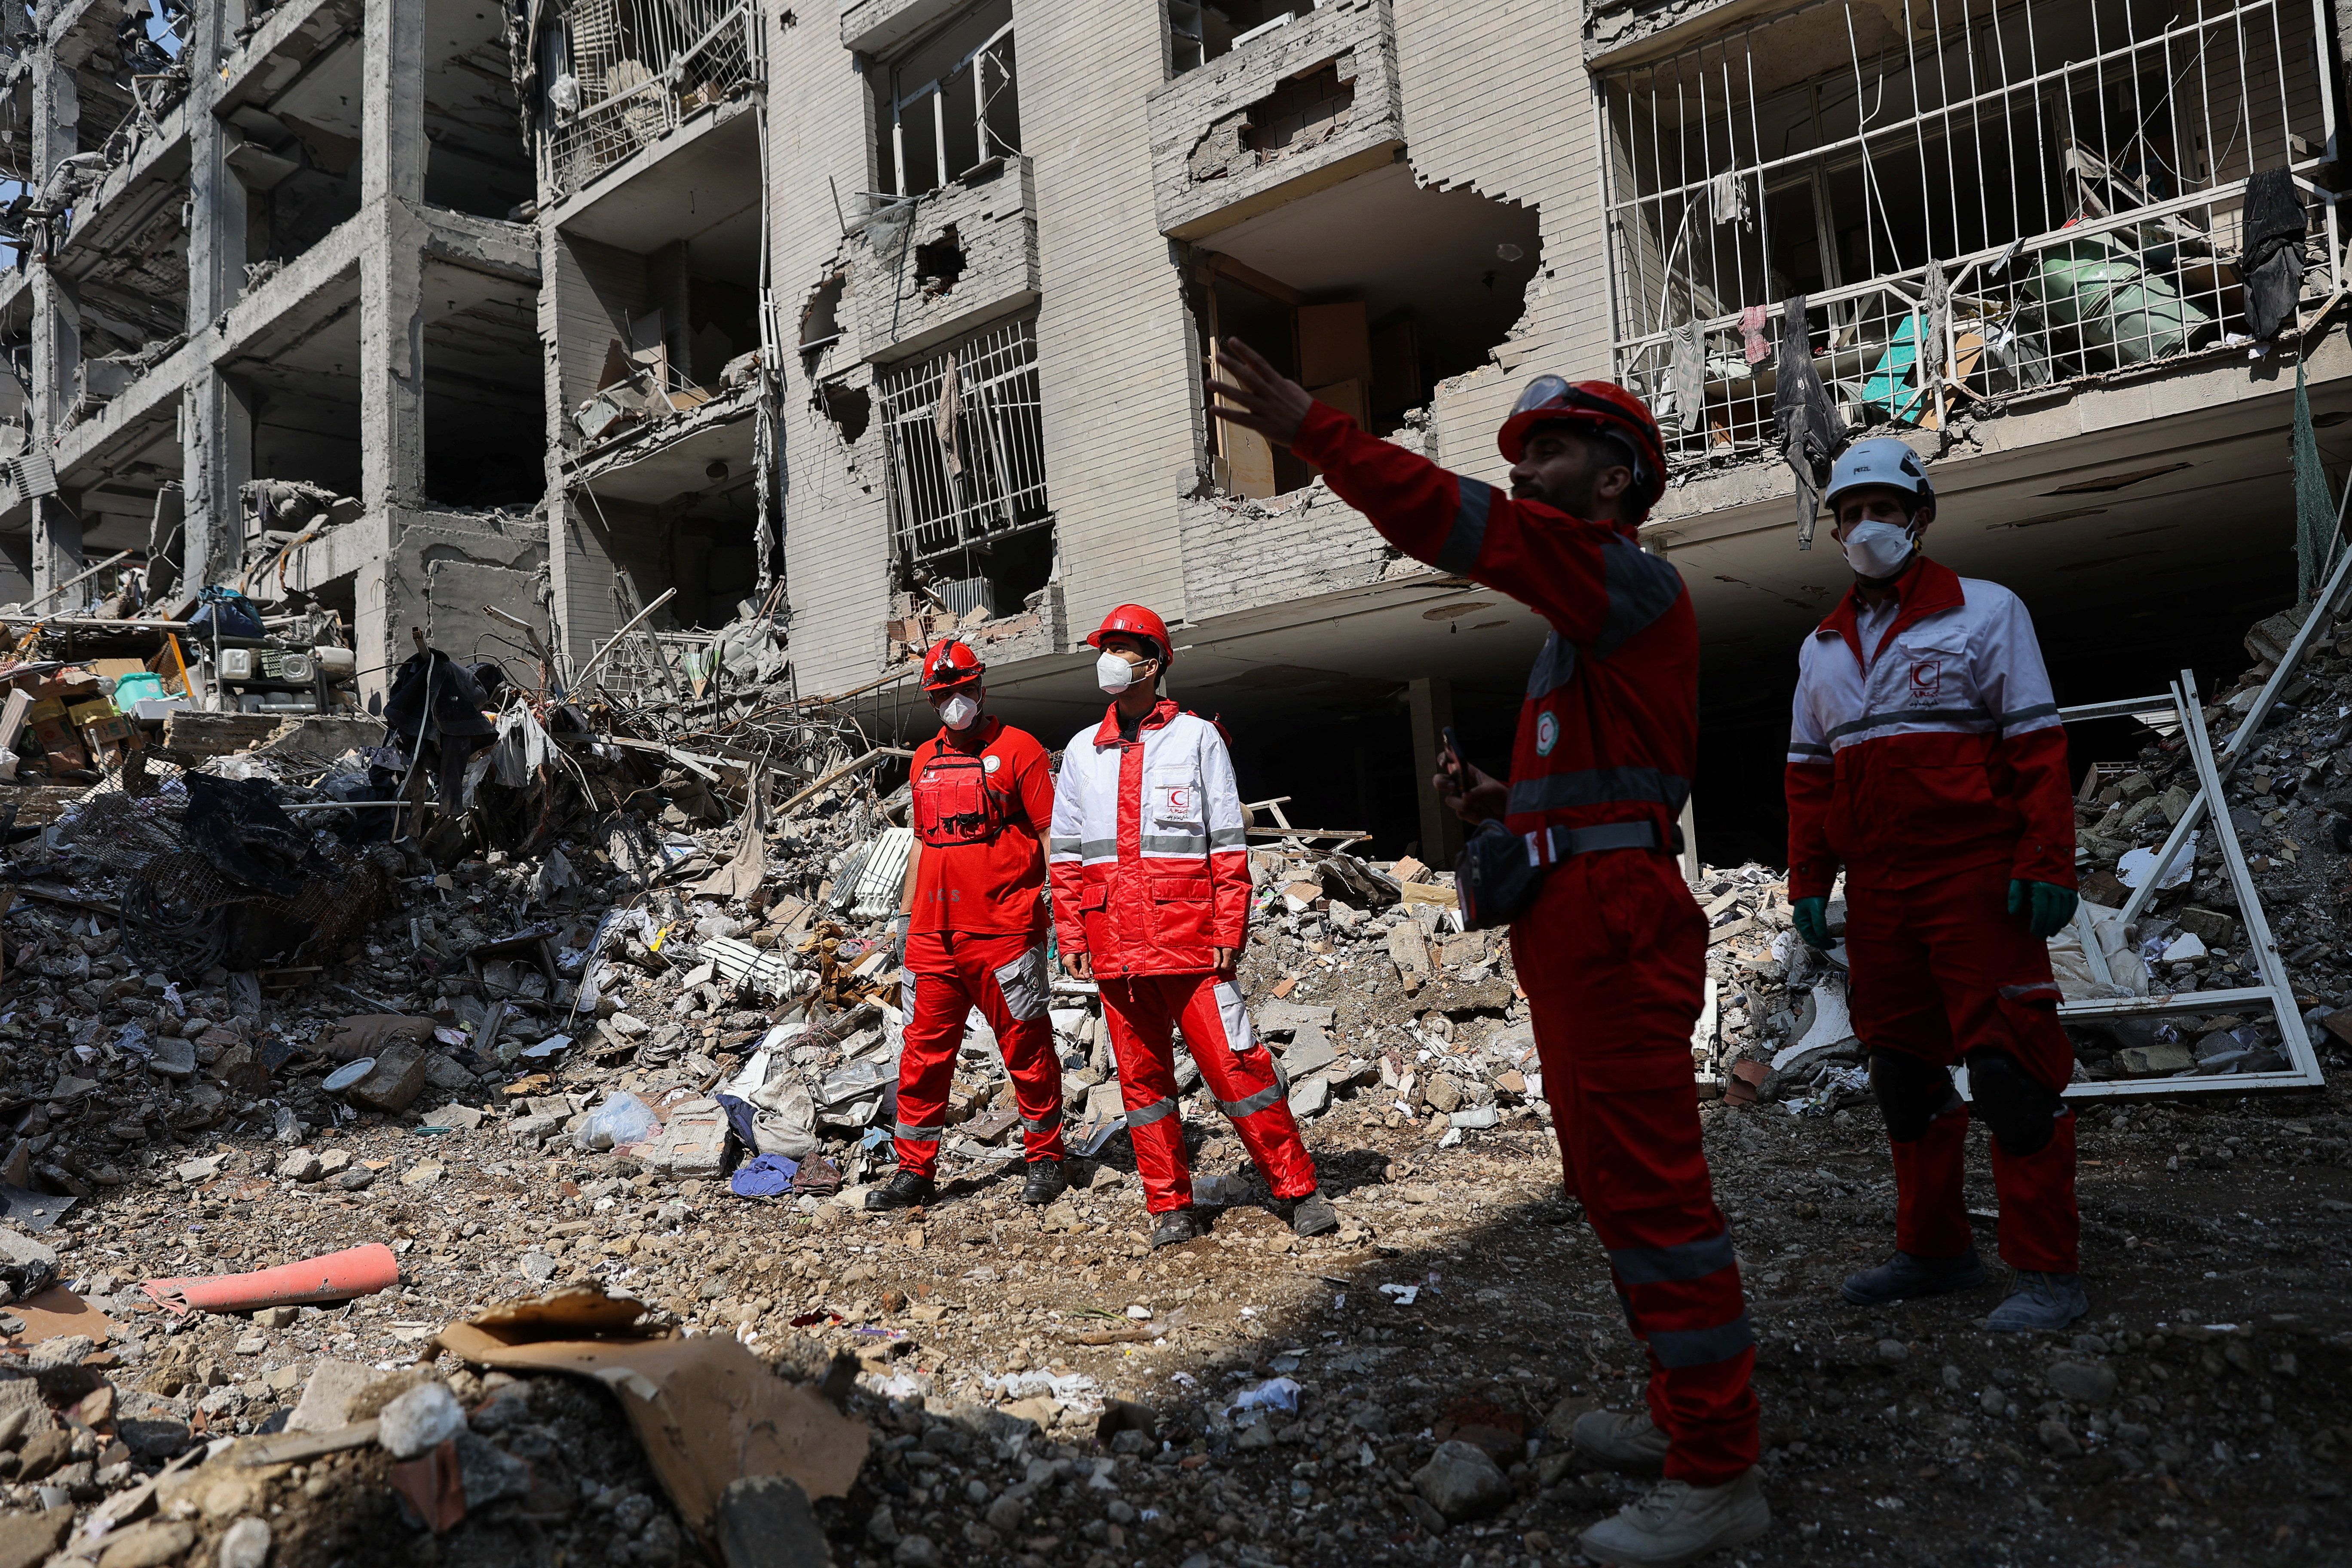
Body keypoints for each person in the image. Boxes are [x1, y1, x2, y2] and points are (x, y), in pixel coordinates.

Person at [1210, 342, 1768, 1568]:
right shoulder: (1579, 632)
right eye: (1517, 456)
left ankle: (1720, 1469)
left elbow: (1454, 525)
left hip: (1613, 922)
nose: (1524, 474)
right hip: (1577, 914)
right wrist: (1510, 806)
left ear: (1617, 479)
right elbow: (1608, 785)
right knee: (1616, 1187)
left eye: (1550, 452)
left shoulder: (1624, 582)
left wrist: (1322, 432)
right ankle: (1688, 1424)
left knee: (1654, 1196)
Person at [1783, 436, 2085, 1331]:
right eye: (1850, 513)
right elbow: (1810, 773)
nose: (1866, 527)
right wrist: (1809, 881)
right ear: (1835, 528)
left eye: (1883, 510)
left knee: (2009, 1074)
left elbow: (2035, 748)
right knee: (1904, 1079)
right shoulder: (1823, 647)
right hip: (1880, 892)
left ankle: (2048, 1274)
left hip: (1974, 881)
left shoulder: (1986, 613)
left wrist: (2045, 862)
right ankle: (1937, 1252)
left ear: (1919, 519)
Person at [1047, 603, 1337, 1249]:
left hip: (1191, 943)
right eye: (1107, 647)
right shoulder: (1081, 753)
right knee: (1143, 1086)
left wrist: (1230, 930)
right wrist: (1071, 936)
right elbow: (1065, 857)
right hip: (1115, 947)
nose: (1112, 659)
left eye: (1125, 648)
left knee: (1240, 1070)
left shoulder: (1198, 738)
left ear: (1154, 663)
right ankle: (1169, 1205)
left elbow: (1228, 849)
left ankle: (1299, 1190)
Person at [868, 638, 1069, 1211]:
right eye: (943, 694)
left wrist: (1066, 913)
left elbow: (1052, 836)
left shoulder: (1021, 751)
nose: (954, 701)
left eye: (962, 690)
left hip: (1004, 929)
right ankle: (915, 1172)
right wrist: (906, 919)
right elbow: (919, 844)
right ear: (933, 700)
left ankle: (1047, 1157)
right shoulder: (924, 758)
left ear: (980, 688)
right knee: (923, 1055)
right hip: (934, 934)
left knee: (1026, 1047)